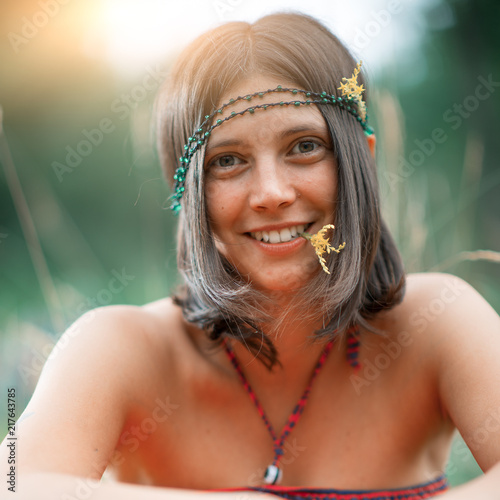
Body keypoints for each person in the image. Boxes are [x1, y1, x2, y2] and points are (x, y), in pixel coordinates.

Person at [2, 11, 500, 500]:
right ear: (187, 192)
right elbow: (12, 484)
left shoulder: (436, 321)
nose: (271, 193)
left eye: (304, 146)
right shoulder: (119, 348)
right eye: (228, 161)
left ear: (361, 160)